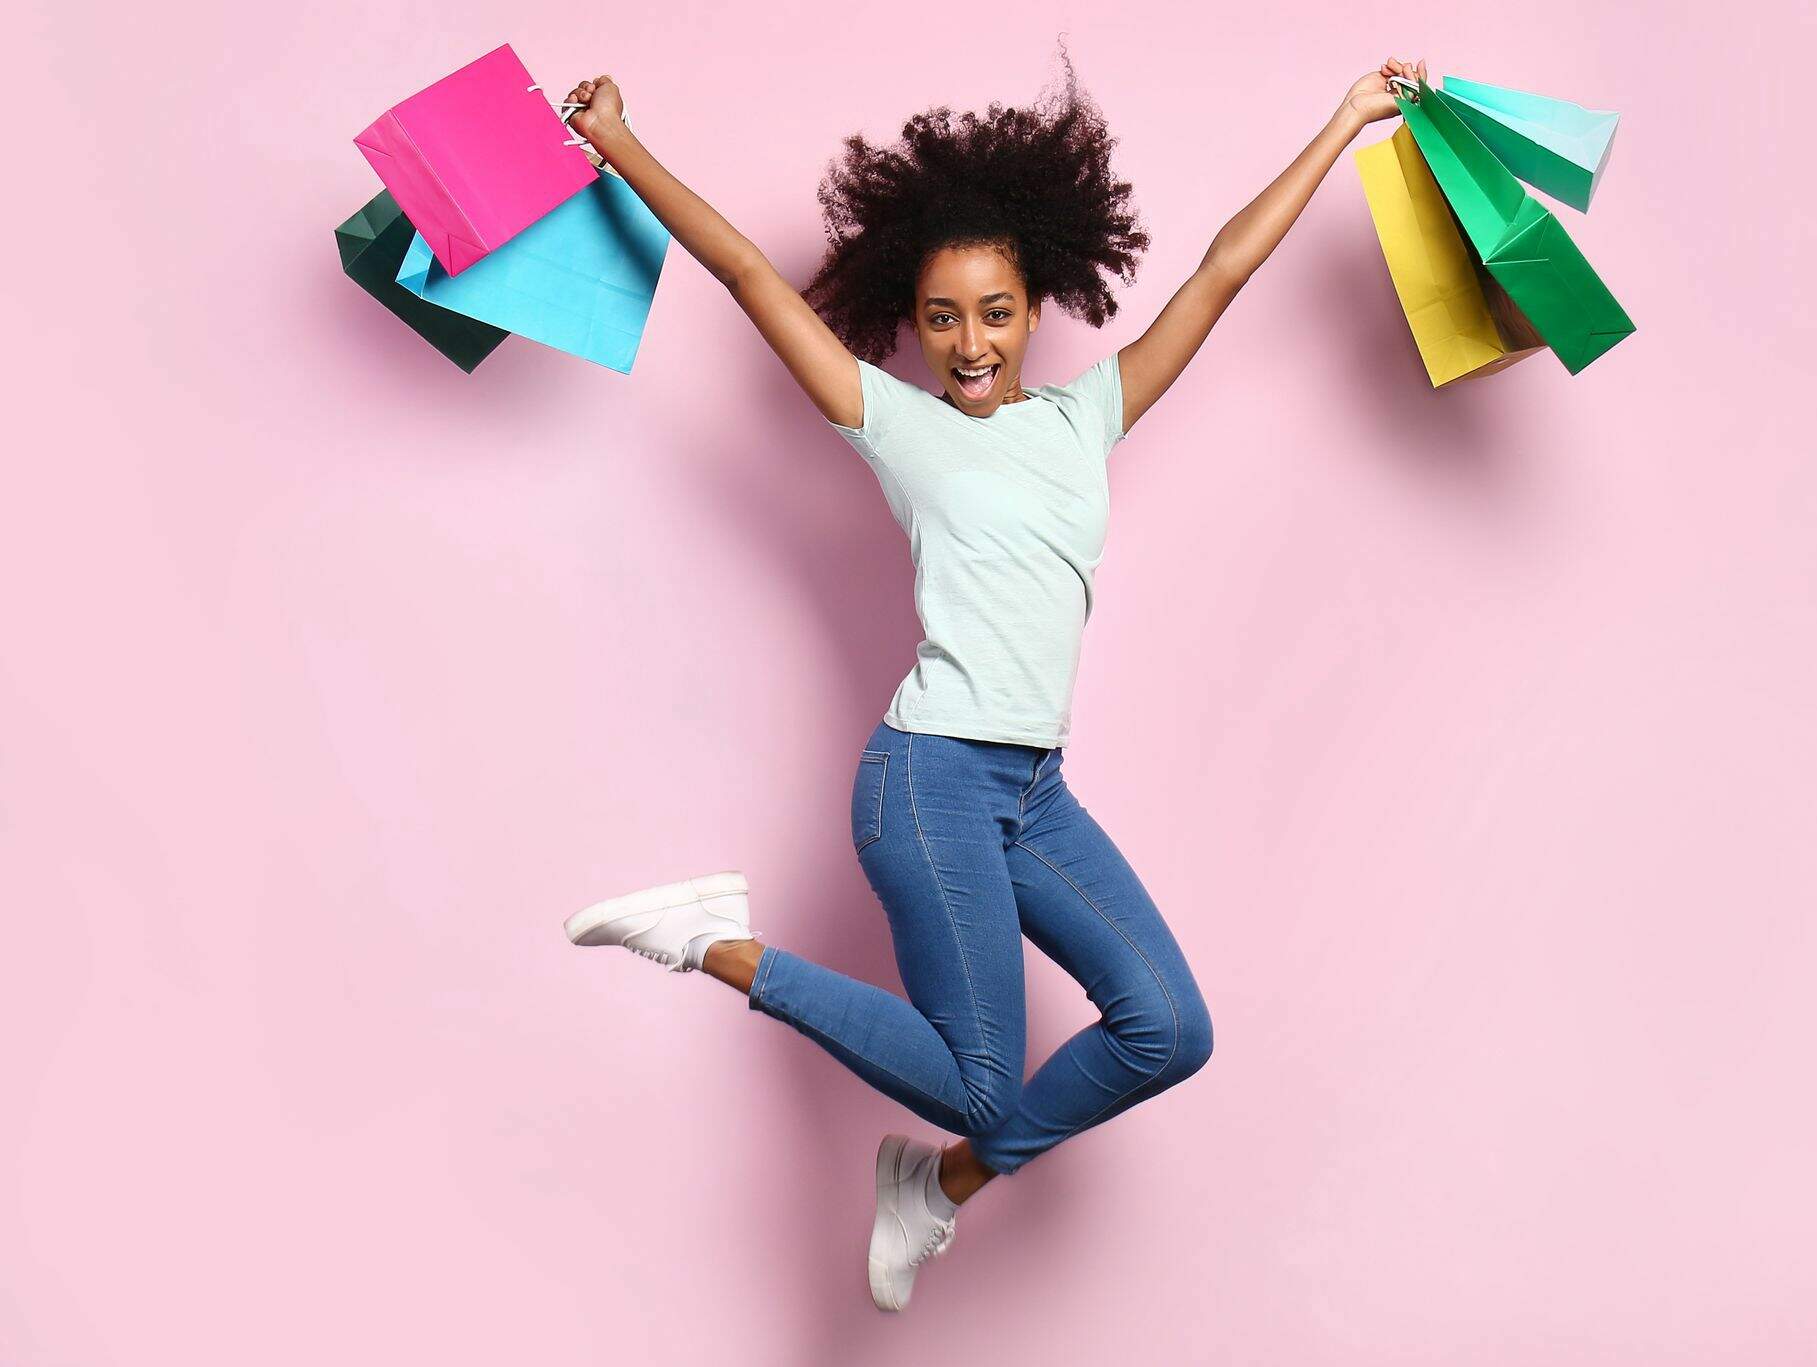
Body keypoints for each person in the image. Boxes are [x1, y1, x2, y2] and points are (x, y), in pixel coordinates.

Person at [560, 50, 1428, 1311]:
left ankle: (940, 1185)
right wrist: (622, 147)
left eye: (998, 312)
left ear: (1037, 306)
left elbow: (1224, 270)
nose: (971, 344)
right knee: (985, 1076)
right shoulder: (895, 426)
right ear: (911, 323)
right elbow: (752, 274)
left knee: (1169, 1030)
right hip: (928, 782)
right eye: (944, 318)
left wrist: (1345, 119)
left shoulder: (1086, 420)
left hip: (1035, 792)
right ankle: (712, 940)